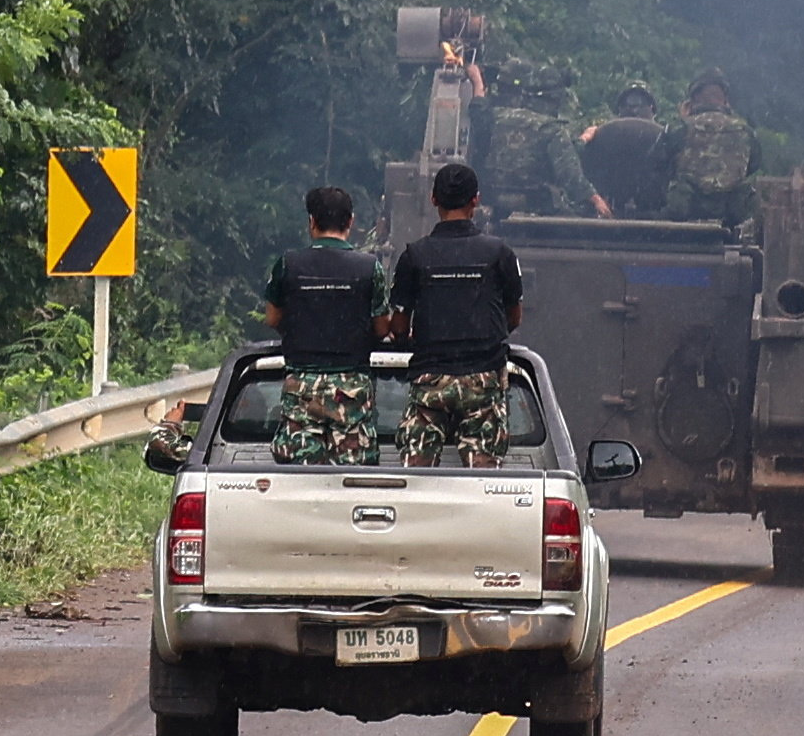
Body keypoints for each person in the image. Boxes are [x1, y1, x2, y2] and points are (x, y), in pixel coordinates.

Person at [388, 162, 524, 467]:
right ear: (475, 200)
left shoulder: (414, 255)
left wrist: (410, 339)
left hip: (429, 377)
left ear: (433, 199)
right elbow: (513, 317)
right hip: (483, 376)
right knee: (484, 478)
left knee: (417, 474)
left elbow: (398, 325)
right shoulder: (499, 253)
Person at [261, 185, 393, 464]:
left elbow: (272, 318)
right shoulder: (370, 268)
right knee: (353, 475)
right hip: (352, 388)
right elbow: (382, 328)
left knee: (299, 475)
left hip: (301, 386)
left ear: (311, 221)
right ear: (351, 221)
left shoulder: (288, 264)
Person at [481, 60, 611, 219]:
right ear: (555, 99)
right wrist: (596, 200)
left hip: (491, 201)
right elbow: (569, 175)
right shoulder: (552, 129)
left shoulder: (494, 116)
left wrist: (583, 139)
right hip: (535, 205)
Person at [660, 69, 761, 229]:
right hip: (732, 217)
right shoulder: (746, 131)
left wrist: (685, 118)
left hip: (683, 217)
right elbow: (753, 164)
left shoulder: (681, 128)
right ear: (725, 99)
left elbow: (660, 164)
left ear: (693, 98)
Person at [580, 80, 667, 218]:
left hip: (654, 211)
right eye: (628, 105)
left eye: (641, 104)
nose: (634, 110)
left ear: (652, 109)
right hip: (610, 209)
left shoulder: (668, 136)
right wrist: (586, 138)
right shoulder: (600, 134)